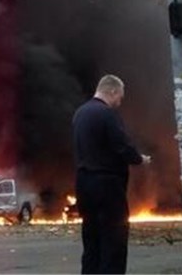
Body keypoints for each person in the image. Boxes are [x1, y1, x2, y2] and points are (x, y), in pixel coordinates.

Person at [72, 74, 151, 274]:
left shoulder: (80, 113)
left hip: (84, 185)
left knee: (91, 241)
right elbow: (122, 146)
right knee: (113, 241)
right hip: (107, 186)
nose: (119, 102)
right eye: (120, 98)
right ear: (112, 91)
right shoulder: (107, 114)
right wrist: (140, 159)